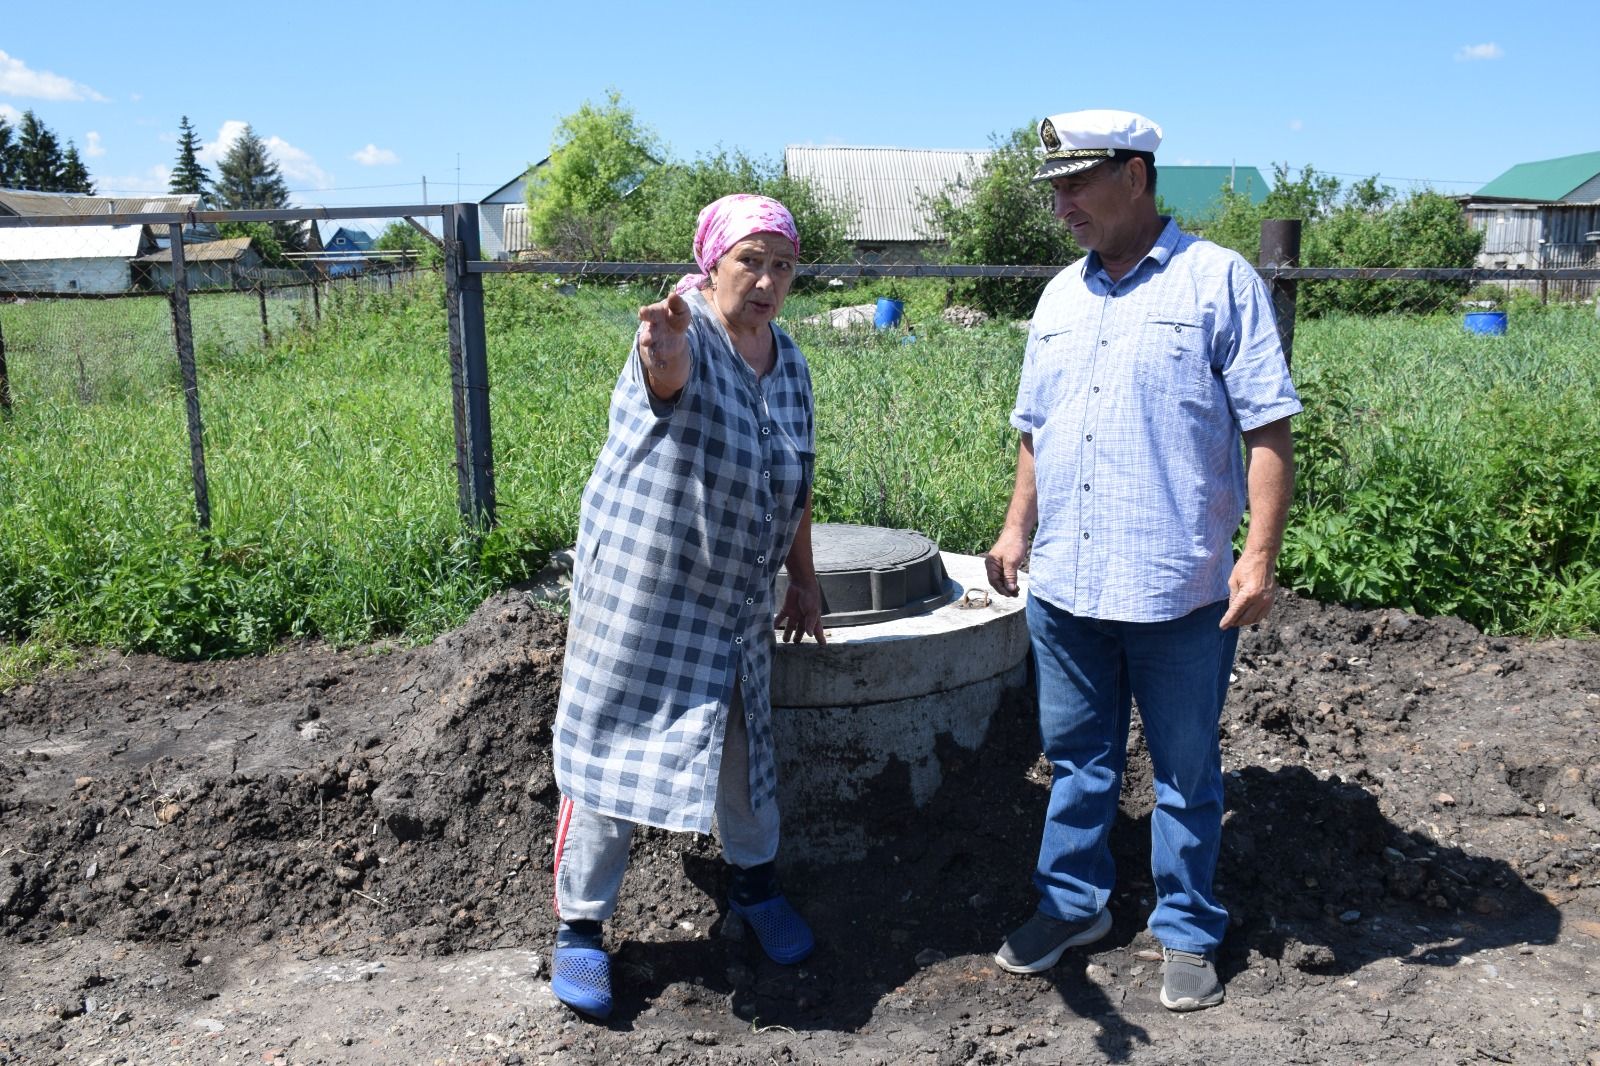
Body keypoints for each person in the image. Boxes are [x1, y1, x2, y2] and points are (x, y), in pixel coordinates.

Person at [983, 109, 1300, 1012]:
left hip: (1180, 587)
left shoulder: (1216, 282)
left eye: (1076, 183)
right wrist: (1016, 531)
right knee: (1078, 759)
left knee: (1187, 770)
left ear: (1135, 174)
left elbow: (1267, 429)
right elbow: (1036, 434)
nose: (1061, 203)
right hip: (1070, 590)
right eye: (1054, 187)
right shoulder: (1058, 296)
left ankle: (1190, 927)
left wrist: (1260, 554)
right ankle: (1071, 905)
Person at [549, 193, 827, 1020]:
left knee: (744, 749)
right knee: (605, 751)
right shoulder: (680, 333)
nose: (769, 280)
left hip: (736, 597)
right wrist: (660, 353)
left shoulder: (791, 360)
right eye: (752, 261)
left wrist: (802, 578)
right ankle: (580, 929)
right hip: (645, 594)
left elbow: (799, 480)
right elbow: (663, 381)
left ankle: (754, 885)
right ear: (713, 263)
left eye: (783, 264)